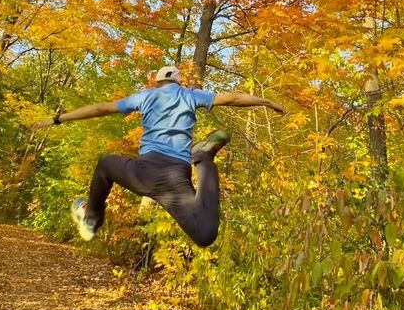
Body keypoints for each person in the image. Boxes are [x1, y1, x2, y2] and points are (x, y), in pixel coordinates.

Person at [32, 65, 285, 247]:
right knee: (205, 235)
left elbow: (100, 108)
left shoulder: (145, 96)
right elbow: (233, 97)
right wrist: (266, 101)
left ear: (157, 82)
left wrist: (58, 119)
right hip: (174, 178)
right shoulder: (190, 95)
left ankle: (91, 218)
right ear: (178, 80)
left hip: (145, 173)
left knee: (106, 163)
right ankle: (204, 160)